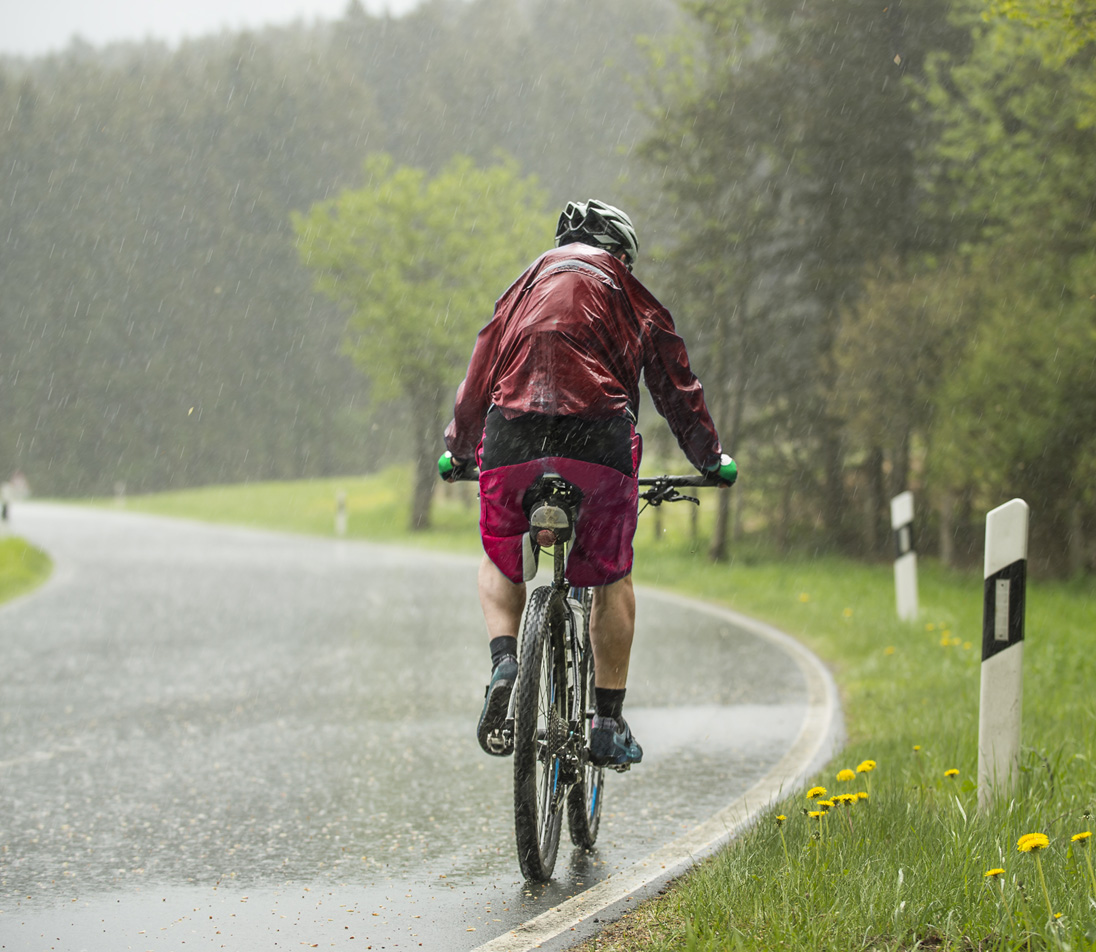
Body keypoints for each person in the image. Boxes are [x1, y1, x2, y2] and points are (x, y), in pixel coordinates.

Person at [439, 199, 736, 767]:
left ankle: (505, 663)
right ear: (621, 254)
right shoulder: (629, 291)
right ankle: (607, 720)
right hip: (597, 443)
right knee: (612, 577)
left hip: (513, 439)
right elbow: (676, 386)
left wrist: (457, 448)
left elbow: (478, 375)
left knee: (503, 558)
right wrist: (710, 457)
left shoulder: (521, 288)